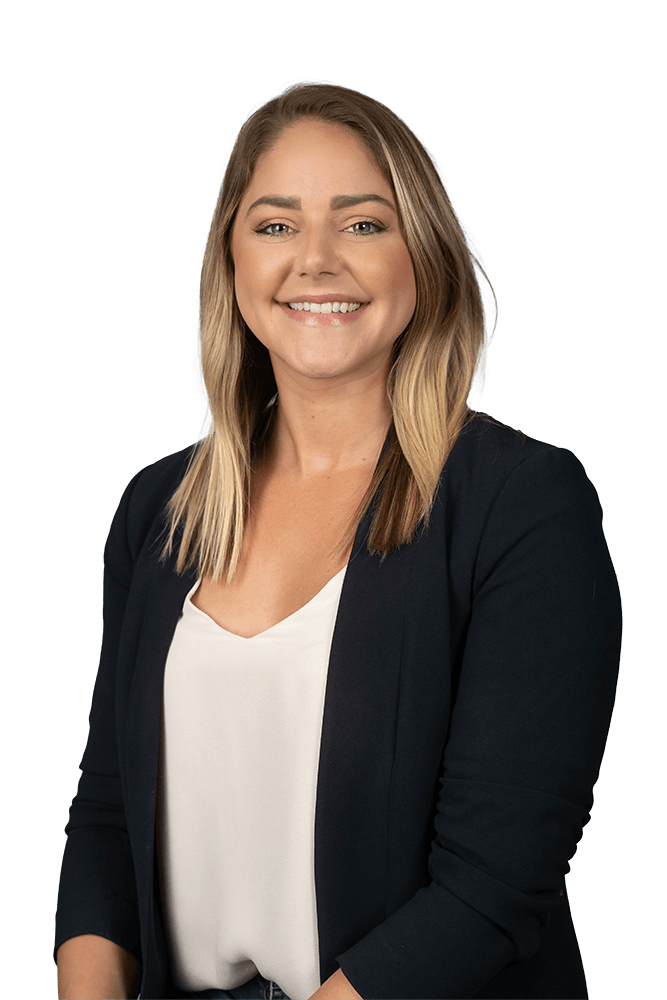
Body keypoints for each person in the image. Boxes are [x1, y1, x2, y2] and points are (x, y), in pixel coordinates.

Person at [54, 80, 621, 1000]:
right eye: (275, 225)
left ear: (422, 255)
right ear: (232, 260)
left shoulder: (520, 504)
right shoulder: (159, 508)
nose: (315, 260)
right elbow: (108, 814)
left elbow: (491, 885)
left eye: (362, 223)